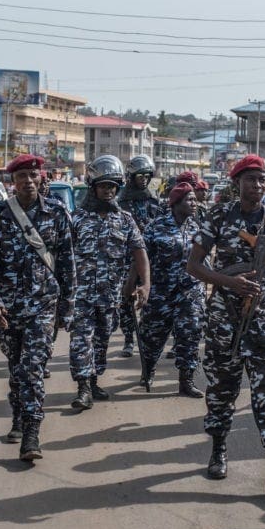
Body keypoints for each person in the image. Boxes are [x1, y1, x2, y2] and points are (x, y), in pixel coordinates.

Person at [186, 154, 265, 493]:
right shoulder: (218, 216)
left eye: (263, 179)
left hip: (264, 319)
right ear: (237, 183)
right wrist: (227, 281)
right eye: (250, 178)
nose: (257, 184)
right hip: (225, 318)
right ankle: (218, 451)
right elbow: (194, 265)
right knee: (222, 389)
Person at [0, 154, 75, 458]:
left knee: (33, 366)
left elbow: (68, 262)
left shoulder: (57, 213)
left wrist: (68, 305)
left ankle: (32, 432)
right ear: (12, 181)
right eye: (22, 176)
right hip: (8, 308)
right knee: (16, 367)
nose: (29, 181)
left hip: (44, 304)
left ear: (42, 178)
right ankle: (18, 416)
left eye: (34, 176)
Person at [70, 155, 150, 409]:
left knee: (102, 339)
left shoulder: (125, 220)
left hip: (111, 295)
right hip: (80, 294)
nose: (108, 191)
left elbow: (140, 253)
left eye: (113, 187)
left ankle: (93, 380)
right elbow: (62, 256)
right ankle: (82, 387)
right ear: (93, 187)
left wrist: (144, 284)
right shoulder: (77, 218)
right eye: (104, 186)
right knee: (82, 338)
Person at [138, 182, 205, 397]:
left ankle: (186, 380)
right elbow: (141, 259)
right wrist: (138, 285)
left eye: (195, 199)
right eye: (189, 200)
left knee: (190, 333)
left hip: (190, 293)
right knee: (152, 336)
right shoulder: (155, 227)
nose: (194, 203)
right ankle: (148, 369)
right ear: (175, 203)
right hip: (160, 292)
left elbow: (205, 260)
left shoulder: (197, 228)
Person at [116, 155, 162, 357]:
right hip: (127, 257)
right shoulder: (121, 203)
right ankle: (128, 338)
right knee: (126, 299)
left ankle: (145, 337)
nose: (143, 179)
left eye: (146, 175)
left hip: (150, 259)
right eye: (139, 176)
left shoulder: (154, 201)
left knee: (149, 299)